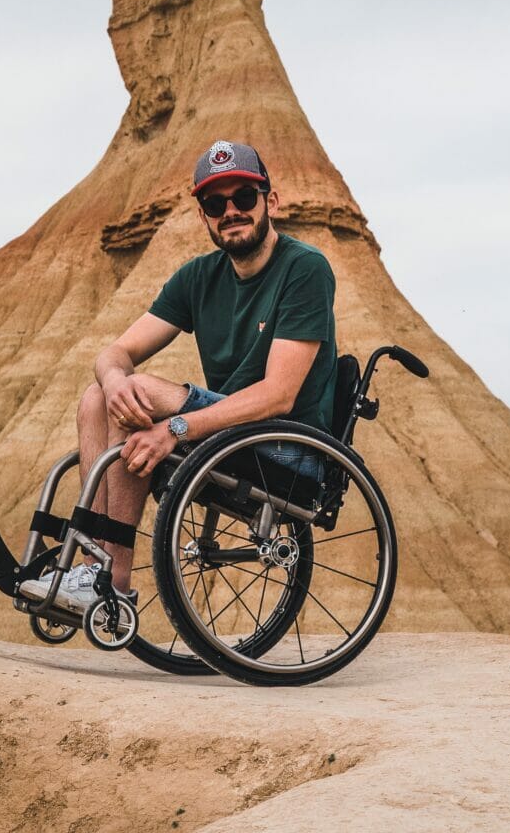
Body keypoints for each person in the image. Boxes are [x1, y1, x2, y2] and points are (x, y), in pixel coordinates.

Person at [18, 139, 337, 613]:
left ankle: (114, 582)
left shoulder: (304, 269)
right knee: (97, 396)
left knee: (141, 394)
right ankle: (93, 566)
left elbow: (279, 395)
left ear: (271, 201)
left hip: (292, 448)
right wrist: (114, 382)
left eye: (243, 198)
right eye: (215, 203)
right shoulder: (198, 277)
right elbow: (117, 351)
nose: (230, 211)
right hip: (235, 437)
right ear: (204, 216)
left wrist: (174, 429)